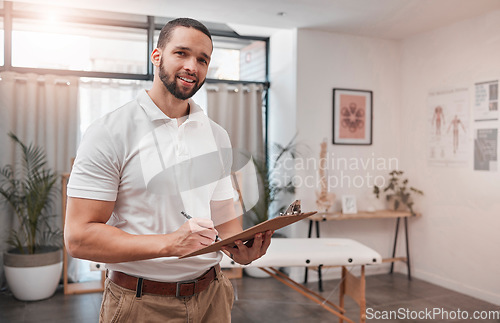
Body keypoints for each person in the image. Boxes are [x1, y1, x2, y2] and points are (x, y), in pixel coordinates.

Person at [64, 18, 272, 322]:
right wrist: (170, 244)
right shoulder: (109, 131)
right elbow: (78, 238)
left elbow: (225, 222)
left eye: (203, 59)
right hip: (141, 303)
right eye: (182, 53)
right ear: (157, 56)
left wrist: (241, 248)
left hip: (213, 296)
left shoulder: (217, 135)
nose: (193, 66)